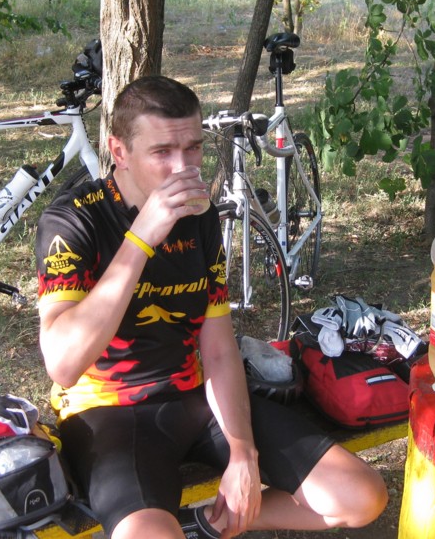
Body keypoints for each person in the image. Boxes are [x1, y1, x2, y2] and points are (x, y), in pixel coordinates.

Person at [34, 75, 388, 539]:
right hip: (107, 412)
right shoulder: (72, 221)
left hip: (193, 397)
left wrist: (243, 455)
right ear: (119, 151)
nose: (183, 168)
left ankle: (204, 524)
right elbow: (63, 365)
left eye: (194, 148)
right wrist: (141, 238)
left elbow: (218, 348)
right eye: (162, 152)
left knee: (361, 496)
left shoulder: (198, 216)